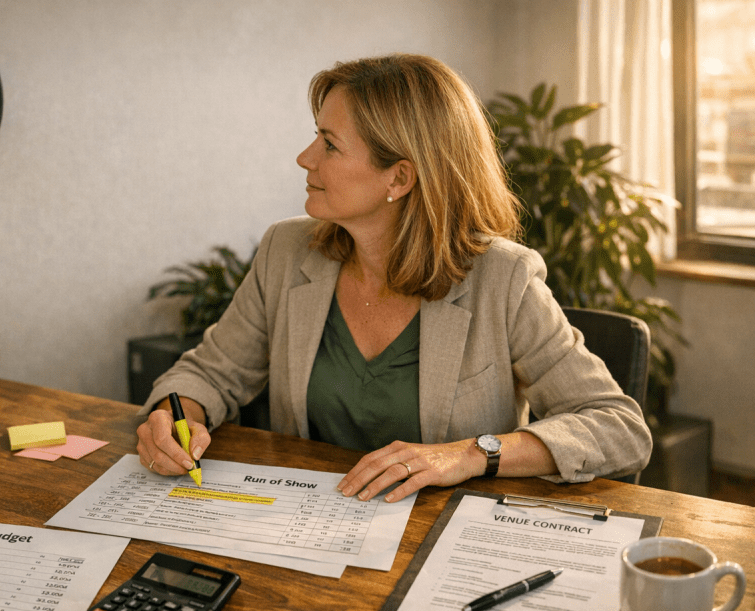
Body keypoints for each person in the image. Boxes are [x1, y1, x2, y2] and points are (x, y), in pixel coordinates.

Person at [136, 54, 651, 503]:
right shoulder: (286, 252)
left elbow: (618, 427)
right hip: (302, 527)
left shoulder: (503, 278)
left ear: (400, 178)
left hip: (439, 548)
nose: (305, 158)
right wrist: (174, 413)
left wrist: (471, 455)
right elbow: (210, 373)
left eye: (330, 144)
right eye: (316, 135)